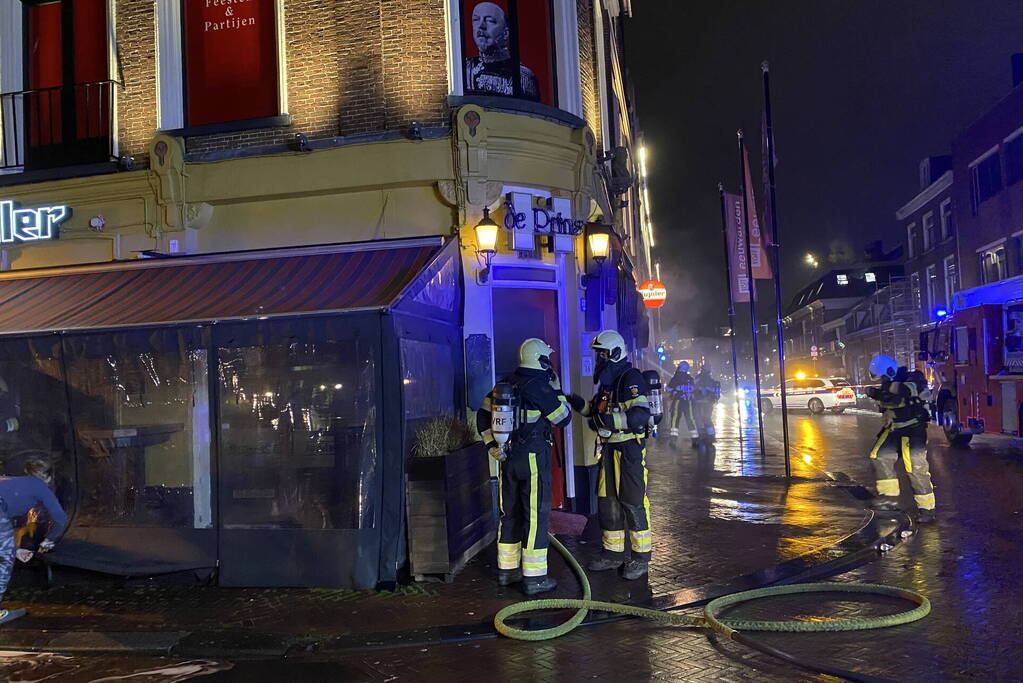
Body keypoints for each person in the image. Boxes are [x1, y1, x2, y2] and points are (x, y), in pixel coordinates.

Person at [477, 338, 581, 595]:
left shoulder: (505, 384)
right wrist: (556, 390)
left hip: (507, 456)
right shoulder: (540, 386)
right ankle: (534, 578)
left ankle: (507, 571)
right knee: (535, 516)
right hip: (533, 458)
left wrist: (492, 446)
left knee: (509, 513)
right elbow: (563, 418)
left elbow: (481, 416)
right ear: (541, 360)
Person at [582, 330, 652, 580]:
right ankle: (612, 554)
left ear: (615, 353)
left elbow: (640, 415)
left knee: (632, 502)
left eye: (602, 353)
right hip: (609, 450)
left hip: (629, 452)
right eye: (598, 353)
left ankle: (640, 558)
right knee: (607, 501)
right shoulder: (607, 383)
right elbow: (595, 411)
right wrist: (574, 402)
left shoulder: (630, 378)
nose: (599, 358)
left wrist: (608, 420)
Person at [865, 355, 936, 523]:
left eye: (882, 376)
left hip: (914, 429)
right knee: (879, 456)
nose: (882, 380)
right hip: (895, 428)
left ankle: (927, 509)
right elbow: (888, 398)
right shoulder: (888, 384)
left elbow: (901, 393)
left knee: (914, 466)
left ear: (889, 371)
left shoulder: (913, 378)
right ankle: (888, 499)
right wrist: (878, 393)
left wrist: (877, 393)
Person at [0, 458, 67, 624]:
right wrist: (49, 541)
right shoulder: (39, 486)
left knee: (6, 553)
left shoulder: (11, 481)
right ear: (48, 477)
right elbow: (61, 519)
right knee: (3, 563)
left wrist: (15, 550)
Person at [464, 2, 540, 101]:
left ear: (505, 33)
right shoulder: (465, 69)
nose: (481, 25)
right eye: (476, 20)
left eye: (490, 21)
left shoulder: (523, 76)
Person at [665, 361, 697, 442]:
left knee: (675, 417)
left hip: (678, 400)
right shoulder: (690, 378)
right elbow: (693, 389)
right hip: (688, 401)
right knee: (690, 418)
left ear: (679, 367)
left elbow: (668, 389)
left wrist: (677, 389)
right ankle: (695, 438)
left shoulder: (676, 378)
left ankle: (673, 438)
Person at [692, 362, 721, 446]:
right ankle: (709, 436)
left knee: (702, 418)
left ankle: (706, 436)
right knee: (704, 418)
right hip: (704, 402)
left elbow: (694, 388)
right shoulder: (708, 379)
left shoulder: (704, 379)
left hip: (703, 402)